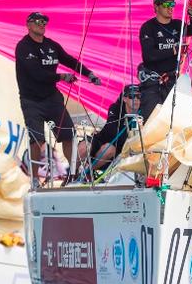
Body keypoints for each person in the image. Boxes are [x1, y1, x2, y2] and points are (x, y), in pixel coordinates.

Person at [15, 12, 101, 181]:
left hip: (52, 99)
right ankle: (34, 178)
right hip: (32, 100)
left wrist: (89, 74)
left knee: (69, 135)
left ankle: (75, 175)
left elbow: (69, 60)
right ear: (29, 24)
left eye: (45, 21)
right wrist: (61, 77)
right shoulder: (24, 47)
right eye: (39, 21)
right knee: (36, 139)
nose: (42, 24)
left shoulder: (51, 45)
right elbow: (36, 74)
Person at [138, 0, 192, 121]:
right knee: (150, 119)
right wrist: (173, 50)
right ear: (156, 6)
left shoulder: (178, 25)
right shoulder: (148, 27)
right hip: (153, 81)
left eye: (172, 4)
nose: (171, 8)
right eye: (167, 4)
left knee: (184, 116)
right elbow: (149, 55)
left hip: (172, 79)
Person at [77, 84, 142, 172]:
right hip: (102, 140)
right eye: (132, 96)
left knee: (108, 149)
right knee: (83, 147)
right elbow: (112, 130)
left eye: (139, 96)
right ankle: (72, 174)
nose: (136, 100)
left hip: (118, 149)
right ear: (124, 99)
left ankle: (88, 173)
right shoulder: (116, 108)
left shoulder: (142, 114)